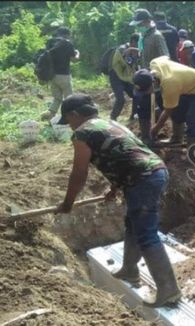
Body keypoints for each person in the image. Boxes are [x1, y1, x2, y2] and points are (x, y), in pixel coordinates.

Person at [54, 93, 181, 307]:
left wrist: (68, 203)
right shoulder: (107, 123)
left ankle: (169, 290)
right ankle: (130, 270)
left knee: (146, 234)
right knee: (133, 223)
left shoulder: (83, 133)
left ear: (74, 115)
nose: (70, 126)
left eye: (68, 121)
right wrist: (116, 186)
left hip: (143, 179)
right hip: (153, 171)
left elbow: (79, 172)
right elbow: (126, 153)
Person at [132, 56, 195, 161]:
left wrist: (154, 130)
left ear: (152, 83)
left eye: (145, 91)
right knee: (176, 111)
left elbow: (168, 111)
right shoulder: (154, 63)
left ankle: (193, 153)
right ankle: (177, 139)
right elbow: (166, 57)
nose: (144, 93)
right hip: (183, 85)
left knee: (193, 119)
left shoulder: (170, 84)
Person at [129, 9, 169, 146]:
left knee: (152, 108)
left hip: (154, 80)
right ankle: (146, 136)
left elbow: (165, 57)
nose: (138, 26)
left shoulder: (156, 36)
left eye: (140, 23)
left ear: (147, 21)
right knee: (144, 108)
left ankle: (152, 135)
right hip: (144, 77)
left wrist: (155, 75)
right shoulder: (143, 37)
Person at [41, 27, 80, 121]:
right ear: (67, 34)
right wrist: (78, 53)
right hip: (64, 75)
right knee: (69, 99)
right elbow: (74, 59)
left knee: (57, 98)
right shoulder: (67, 43)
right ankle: (67, 118)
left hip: (51, 75)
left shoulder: (50, 42)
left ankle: (50, 116)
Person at [108, 33, 140, 121]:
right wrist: (135, 49)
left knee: (136, 95)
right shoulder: (122, 48)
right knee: (121, 99)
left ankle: (133, 116)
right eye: (139, 43)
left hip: (126, 78)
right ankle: (113, 118)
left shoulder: (136, 52)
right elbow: (125, 54)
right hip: (116, 76)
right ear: (133, 42)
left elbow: (134, 66)